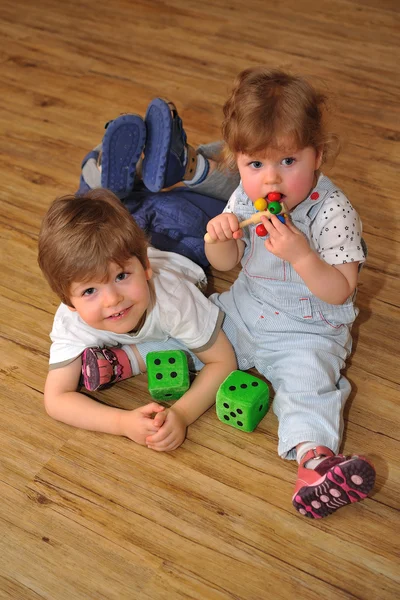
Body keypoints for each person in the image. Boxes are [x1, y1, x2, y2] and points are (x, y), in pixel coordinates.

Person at [203, 67, 376, 519]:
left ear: (317, 156)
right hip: (246, 309)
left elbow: (340, 291)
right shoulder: (245, 197)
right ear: (237, 161)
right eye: (255, 164)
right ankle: (123, 359)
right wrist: (217, 239)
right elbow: (226, 264)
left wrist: (302, 256)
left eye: (288, 162)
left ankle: (316, 466)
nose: (270, 180)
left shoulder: (333, 212)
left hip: (308, 331)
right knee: (195, 326)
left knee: (307, 387)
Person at [38, 188, 237, 452]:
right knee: (132, 206)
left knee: (224, 208)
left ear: (144, 267)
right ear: (68, 302)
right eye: (89, 291)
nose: (112, 300)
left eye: (121, 277)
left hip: (184, 240)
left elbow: (223, 361)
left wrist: (182, 414)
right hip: (142, 238)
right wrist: (121, 422)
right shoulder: (71, 322)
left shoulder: (172, 299)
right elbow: (56, 400)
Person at [78, 98, 240, 269]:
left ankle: (106, 171)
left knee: (87, 201)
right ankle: (189, 166)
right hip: (168, 231)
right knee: (229, 203)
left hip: (117, 232)